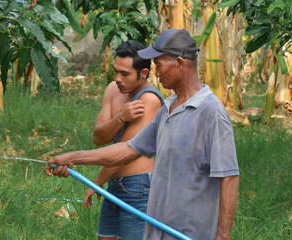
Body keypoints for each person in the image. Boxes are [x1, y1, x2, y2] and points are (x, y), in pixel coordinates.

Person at [46, 29, 239, 240]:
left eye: (159, 65)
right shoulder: (168, 108)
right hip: (156, 229)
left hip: (189, 232)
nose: (156, 73)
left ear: (180, 63)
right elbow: (128, 149)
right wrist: (73, 158)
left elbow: (228, 177)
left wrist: (222, 237)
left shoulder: (211, 112)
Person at [84, 40, 164, 240]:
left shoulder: (149, 100)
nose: (118, 78)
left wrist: (96, 183)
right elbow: (98, 137)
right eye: (116, 71)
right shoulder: (113, 89)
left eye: (125, 74)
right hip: (115, 182)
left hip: (138, 187)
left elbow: (125, 151)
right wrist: (121, 118)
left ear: (143, 73)